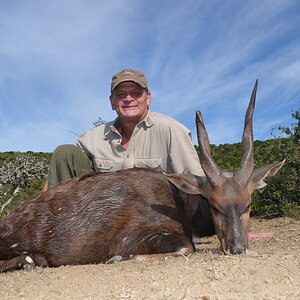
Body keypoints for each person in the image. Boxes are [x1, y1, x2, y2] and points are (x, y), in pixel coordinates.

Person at [44, 68, 204, 190]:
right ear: (112, 102)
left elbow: (196, 182)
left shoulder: (171, 129)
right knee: (64, 153)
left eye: (136, 93)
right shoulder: (94, 137)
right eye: (121, 94)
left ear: (148, 98)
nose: (128, 99)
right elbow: (59, 171)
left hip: (154, 218)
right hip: (106, 216)